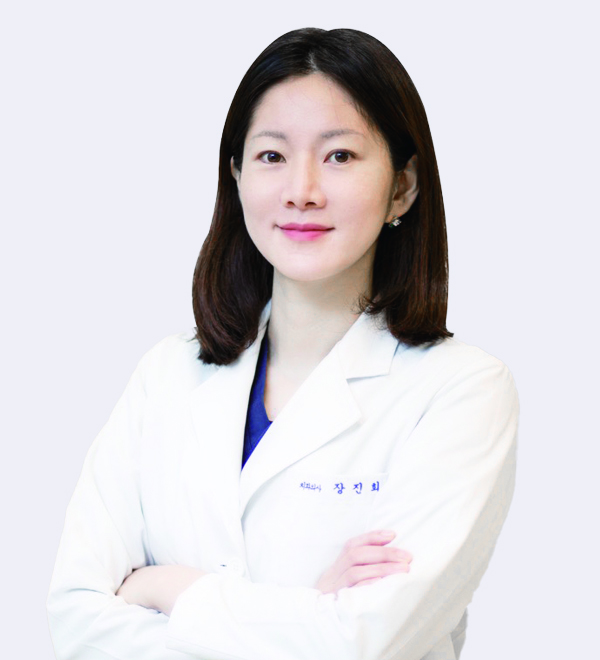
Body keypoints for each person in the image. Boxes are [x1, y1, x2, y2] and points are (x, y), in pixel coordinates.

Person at [47, 27, 518, 660]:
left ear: (402, 187)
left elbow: (363, 643)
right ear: (237, 176)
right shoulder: (166, 375)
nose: (302, 190)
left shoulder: (461, 392)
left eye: (340, 156)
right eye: (272, 156)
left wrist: (168, 588)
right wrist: (305, 608)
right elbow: (77, 621)